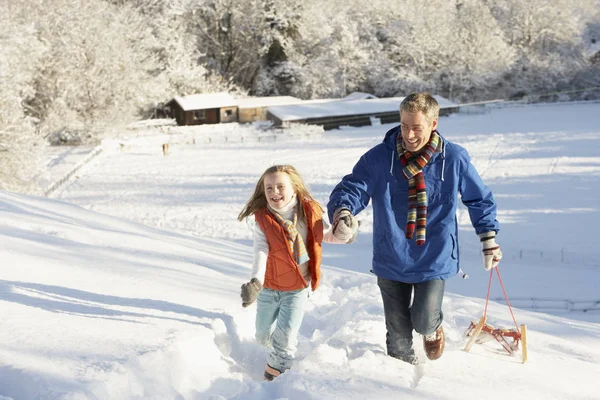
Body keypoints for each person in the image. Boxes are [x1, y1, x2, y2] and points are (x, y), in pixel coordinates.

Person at [327, 92, 502, 364]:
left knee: (423, 320)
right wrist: (343, 212)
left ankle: (432, 329)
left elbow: (479, 198)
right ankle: (401, 380)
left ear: (434, 124)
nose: (409, 134)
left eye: (416, 128)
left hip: (434, 254)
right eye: (404, 125)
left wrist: (488, 237)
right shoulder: (379, 158)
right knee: (397, 338)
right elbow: (353, 187)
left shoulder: (453, 159)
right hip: (391, 253)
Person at [238, 165, 355, 381]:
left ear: (294, 189)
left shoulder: (309, 212)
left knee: (285, 335)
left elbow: (325, 236)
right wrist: (256, 281)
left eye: (281, 186)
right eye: (269, 188)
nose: (275, 192)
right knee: (262, 335)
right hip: (269, 287)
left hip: (297, 288)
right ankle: (284, 348)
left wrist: (344, 233)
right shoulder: (263, 220)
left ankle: (276, 372)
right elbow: (260, 251)